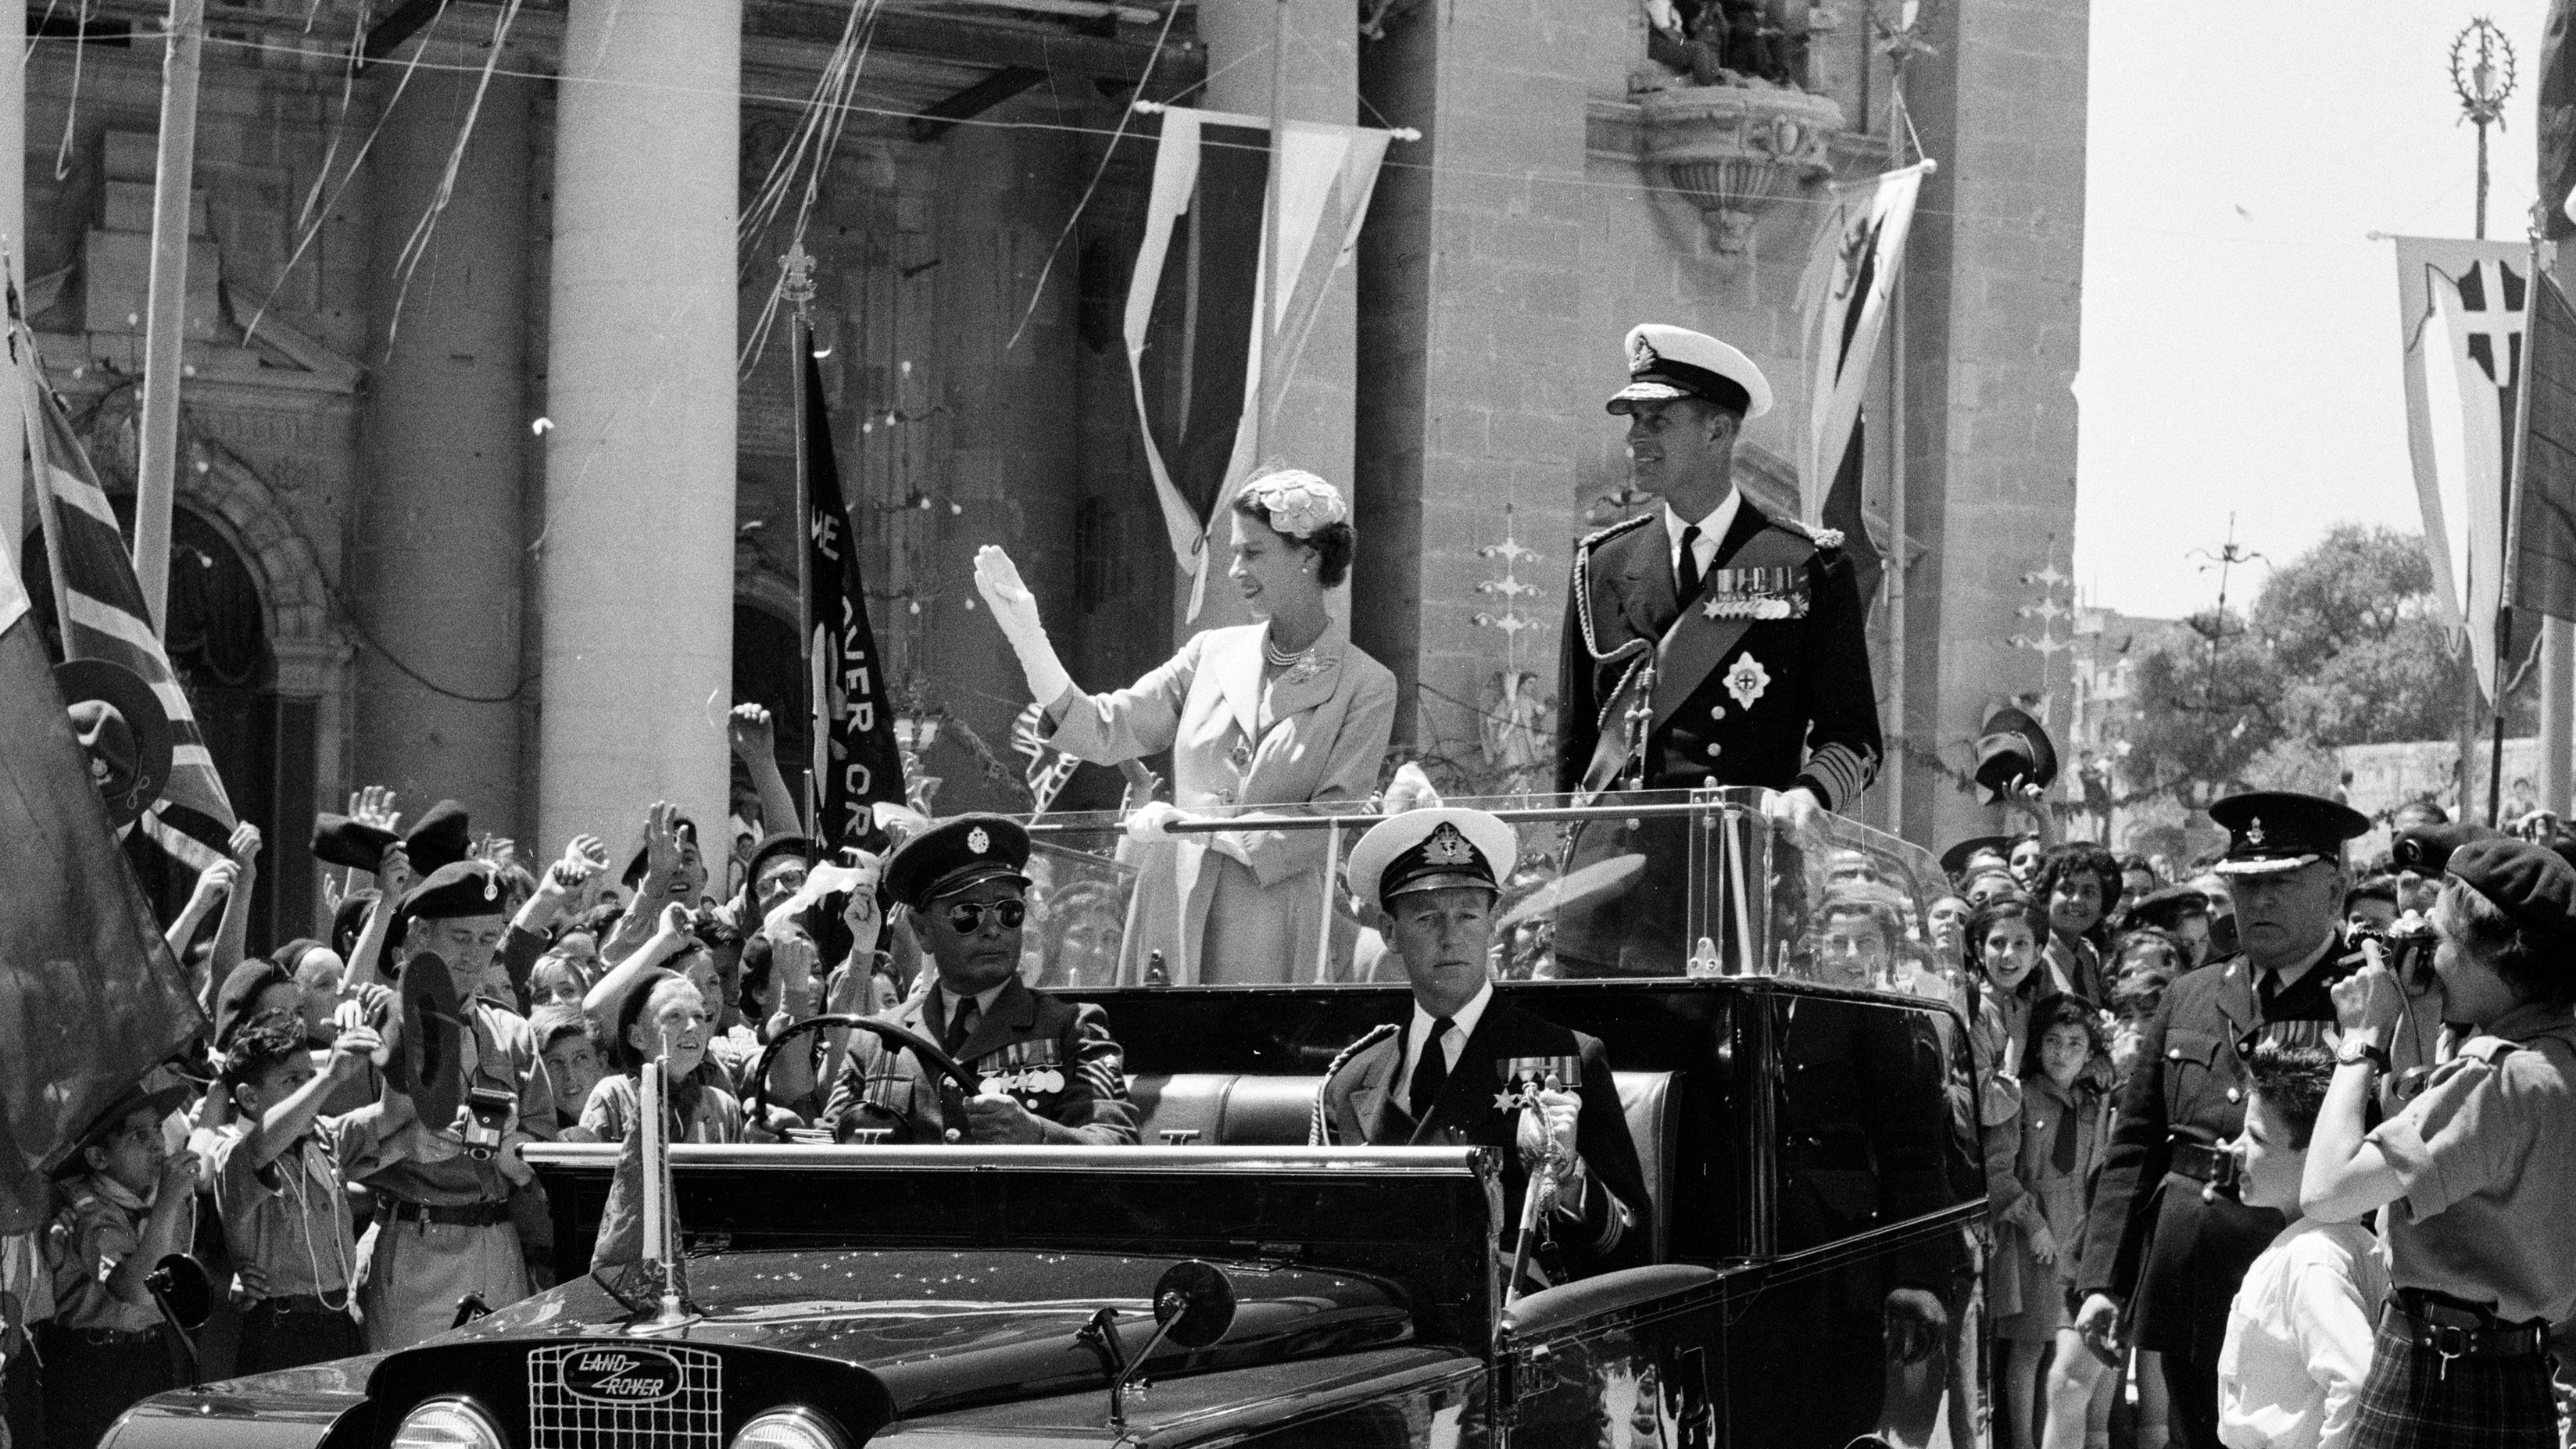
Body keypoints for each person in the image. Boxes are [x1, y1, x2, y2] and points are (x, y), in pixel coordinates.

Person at [975, 470, 1397, 984]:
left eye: (1254, 553)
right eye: (1234, 553)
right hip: (1170, 903)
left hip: (1270, 922)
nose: (1235, 570)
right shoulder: (1211, 654)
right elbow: (1107, 729)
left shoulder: (1366, 684)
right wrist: (1031, 643)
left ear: (1308, 556)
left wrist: (1201, 828)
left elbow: (1327, 823)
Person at [1553, 324, 1880, 975]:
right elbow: (1576, 751)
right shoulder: (1602, 562)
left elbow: (1855, 737)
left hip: (1732, 887)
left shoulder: (1806, 566)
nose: (1635, 440)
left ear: (1717, 432)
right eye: (1632, 421)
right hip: (1605, 900)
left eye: (1657, 420)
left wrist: (1807, 797)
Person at [2076, 791, 2370, 1449]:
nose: (2259, 902)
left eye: (2282, 883)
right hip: (2188, 1273)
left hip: (2298, 1283)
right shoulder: (2194, 992)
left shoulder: (2364, 999)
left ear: (2334, 890)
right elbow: (2134, 1150)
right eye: (2246, 884)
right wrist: (2103, 1282)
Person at [2299, 837, 2576, 1449]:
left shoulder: (2500, 1077)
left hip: (2439, 1376)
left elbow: (2325, 1190)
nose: (2432, 957)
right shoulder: (2553, 1059)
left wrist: (2363, 1037)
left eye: (2442, 941)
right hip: (2517, 1373)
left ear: (2493, 953)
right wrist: (2420, 1020)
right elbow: (2435, 1158)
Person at [1316, 808, 1651, 1283]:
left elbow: (1636, 1248)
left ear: (1493, 922)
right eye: (1427, 917)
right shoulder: (1352, 1081)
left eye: (1468, 915)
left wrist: (1569, 1173)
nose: (1450, 937)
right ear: (1390, 932)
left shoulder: (1566, 1058)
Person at [342, 860, 556, 1353]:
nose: (475, 955)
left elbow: (544, 1149)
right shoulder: (376, 1024)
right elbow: (335, 1145)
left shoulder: (512, 1033)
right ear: (418, 936)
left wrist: (514, 1152)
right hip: (417, 1239)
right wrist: (405, 1139)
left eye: (488, 939)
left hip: (499, 1239)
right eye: (461, 938)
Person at [824, 816, 1142, 1145]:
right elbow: (829, 1144)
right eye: (968, 914)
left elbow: (1117, 1142)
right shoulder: (876, 1039)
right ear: (922, 931)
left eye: (1009, 912)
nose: (993, 929)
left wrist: (1038, 1135)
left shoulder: (1072, 1029)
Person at [2214, 1041, 2386, 1449]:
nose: (2235, 1150)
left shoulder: (2313, 1256)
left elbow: (2356, 1381)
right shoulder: (2323, 1242)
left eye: (2256, 1138)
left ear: (2315, 1154)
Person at [205, 1019, 381, 1375]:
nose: (307, 1091)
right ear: (250, 1097)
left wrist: (396, 1043)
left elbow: (389, 1116)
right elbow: (259, 1148)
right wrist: (327, 1078)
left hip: (338, 1321)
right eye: (291, 1082)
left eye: (308, 1077)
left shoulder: (318, 1137)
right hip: (280, 1331)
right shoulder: (228, 1146)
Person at [41, 1079, 196, 1449]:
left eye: (158, 1129)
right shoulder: (85, 1206)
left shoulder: (158, 1198)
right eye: (137, 1137)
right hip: (96, 1365)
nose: (158, 1144)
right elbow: (134, 1290)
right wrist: (168, 1204)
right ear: (98, 1158)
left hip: (152, 1354)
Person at [1991, 997, 2113, 1449]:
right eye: (2053, 1042)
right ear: (2037, 1047)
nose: (2062, 1053)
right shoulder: (2019, 1098)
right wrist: (2032, 1224)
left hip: (2075, 1234)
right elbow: (2000, 1171)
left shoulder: (2089, 1102)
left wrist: (2103, 1071)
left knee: (2063, 1350)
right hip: (2032, 1236)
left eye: (2075, 1045)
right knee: (2028, 1348)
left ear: (2089, 1054)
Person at [581, 968, 747, 1143]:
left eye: (699, 1016)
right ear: (637, 1037)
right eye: (674, 1016)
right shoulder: (612, 1096)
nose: (692, 1026)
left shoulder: (723, 1106)